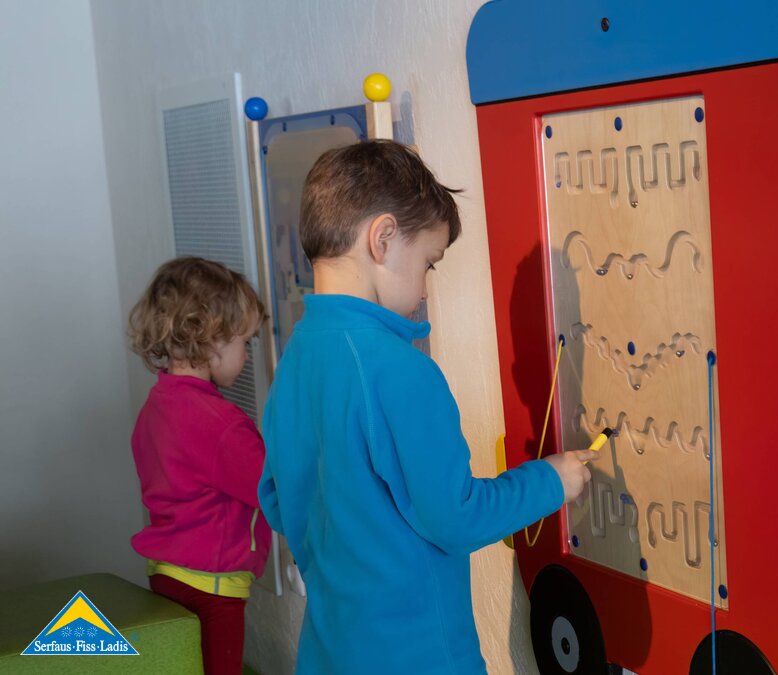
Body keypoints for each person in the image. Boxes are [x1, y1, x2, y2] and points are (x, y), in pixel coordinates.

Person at [260, 140, 596, 673]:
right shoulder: (400, 370)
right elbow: (455, 517)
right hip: (418, 656)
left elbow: (276, 502)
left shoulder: (295, 360)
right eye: (428, 263)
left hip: (328, 652)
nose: (422, 291)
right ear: (383, 239)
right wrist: (552, 481)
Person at [127, 256, 271, 675]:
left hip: (166, 573)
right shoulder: (221, 424)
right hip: (212, 584)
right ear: (209, 339)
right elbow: (271, 486)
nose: (247, 356)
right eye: (245, 342)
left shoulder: (156, 407)